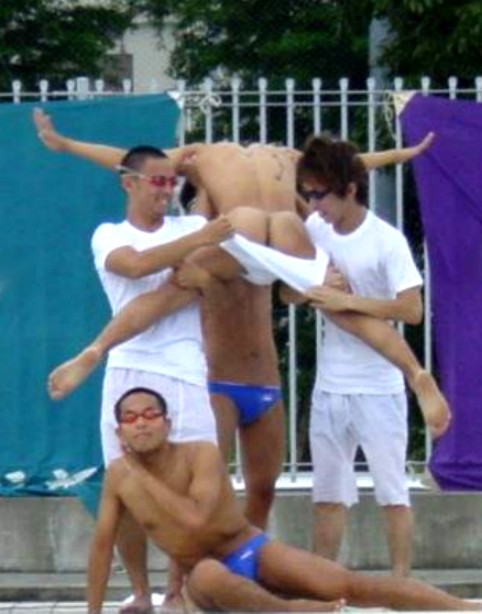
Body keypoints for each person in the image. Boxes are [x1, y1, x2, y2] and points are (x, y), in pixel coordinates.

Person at [34, 109, 444, 536]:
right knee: (336, 303)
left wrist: (67, 145)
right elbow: (355, 163)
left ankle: (96, 349)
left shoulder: (205, 156)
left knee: (174, 292)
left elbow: (128, 161)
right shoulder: (286, 159)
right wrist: (403, 153)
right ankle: (414, 371)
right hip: (276, 242)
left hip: (245, 238)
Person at [87, 385, 478, 614]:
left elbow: (197, 520)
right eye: (131, 418)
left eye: (150, 414)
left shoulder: (199, 453)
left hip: (248, 548)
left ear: (167, 423)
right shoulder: (118, 478)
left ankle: (463, 608)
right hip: (205, 577)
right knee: (207, 574)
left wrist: (139, 473)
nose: (141, 423)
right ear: (120, 431)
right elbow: (102, 548)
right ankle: (291, 611)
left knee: (350, 584)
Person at [52, 141, 237, 614]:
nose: (166, 190)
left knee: (194, 490)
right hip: (129, 366)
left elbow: (227, 265)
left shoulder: (189, 227)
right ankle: (140, 591)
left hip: (184, 368)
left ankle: (177, 591)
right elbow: (134, 266)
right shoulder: (110, 234)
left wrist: (202, 264)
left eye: (172, 182)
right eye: (157, 180)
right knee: (126, 489)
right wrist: (198, 245)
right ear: (128, 184)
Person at [295, 135, 451, 577]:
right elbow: (289, 292)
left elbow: (411, 309)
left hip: (378, 385)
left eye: (320, 194)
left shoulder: (386, 240)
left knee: (392, 493)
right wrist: (310, 291)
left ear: (349, 190)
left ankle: (400, 581)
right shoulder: (314, 230)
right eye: (308, 194)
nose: (314, 204)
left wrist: (350, 301)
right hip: (331, 383)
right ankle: (323, 583)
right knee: (327, 494)